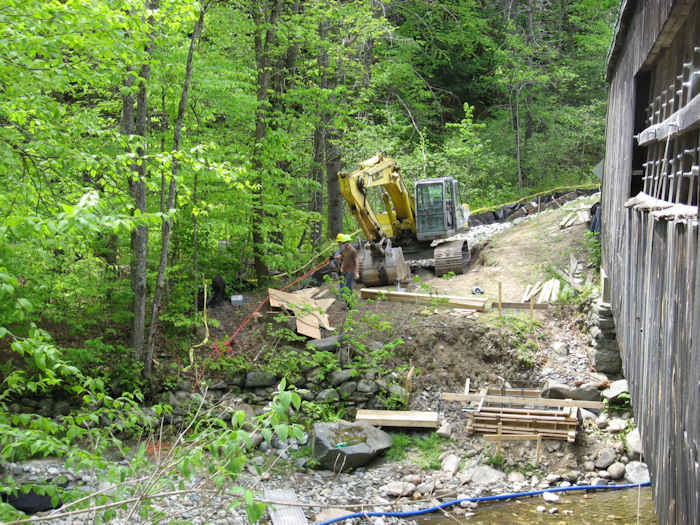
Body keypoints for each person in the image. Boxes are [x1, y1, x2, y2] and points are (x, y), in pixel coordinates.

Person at [335, 233, 359, 306]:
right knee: (345, 287)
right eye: (344, 243)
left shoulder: (353, 250)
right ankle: (347, 303)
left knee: (348, 287)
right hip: (344, 271)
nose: (345, 244)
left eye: (346, 242)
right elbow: (342, 257)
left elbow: (356, 261)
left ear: (349, 242)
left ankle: (350, 304)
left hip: (351, 271)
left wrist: (356, 272)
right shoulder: (344, 250)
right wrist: (341, 266)